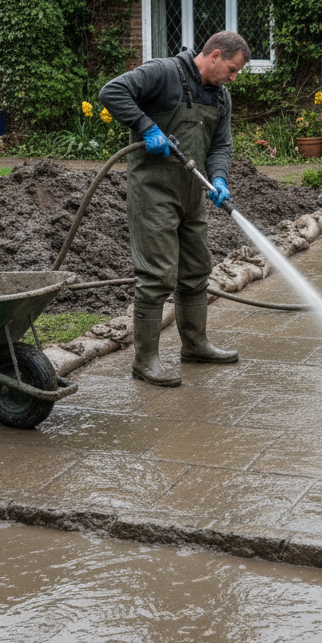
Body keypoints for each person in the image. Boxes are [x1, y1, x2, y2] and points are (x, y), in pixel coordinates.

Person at [100, 31, 250, 387]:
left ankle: (195, 345)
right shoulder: (164, 73)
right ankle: (145, 361)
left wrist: (218, 179)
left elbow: (221, 145)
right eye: (231, 69)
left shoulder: (220, 97)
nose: (232, 78)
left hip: (192, 193)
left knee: (197, 269)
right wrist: (146, 127)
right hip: (153, 192)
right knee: (157, 276)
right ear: (214, 55)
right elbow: (111, 91)